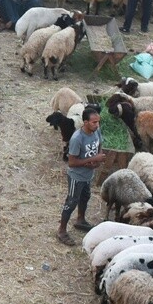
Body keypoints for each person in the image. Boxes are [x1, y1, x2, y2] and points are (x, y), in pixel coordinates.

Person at [57, 105, 105, 245]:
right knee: (71, 202)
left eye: (98, 122)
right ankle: (61, 230)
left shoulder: (96, 131)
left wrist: (98, 158)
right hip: (76, 177)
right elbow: (71, 162)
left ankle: (80, 220)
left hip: (88, 175)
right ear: (85, 122)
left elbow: (99, 144)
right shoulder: (77, 138)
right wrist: (93, 160)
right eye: (94, 122)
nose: (97, 124)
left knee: (85, 197)